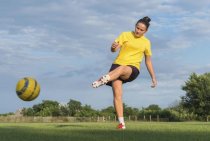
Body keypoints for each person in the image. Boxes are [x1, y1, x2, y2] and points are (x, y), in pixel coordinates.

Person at [92, 16, 157, 129]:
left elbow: (148, 61)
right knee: (117, 95)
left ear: (146, 31)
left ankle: (103, 79)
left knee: (123, 68)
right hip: (116, 66)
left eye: (141, 30)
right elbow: (114, 50)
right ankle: (122, 124)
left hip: (132, 68)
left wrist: (153, 77)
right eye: (137, 28)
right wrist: (113, 47)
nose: (138, 31)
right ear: (135, 26)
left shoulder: (146, 42)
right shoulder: (125, 34)